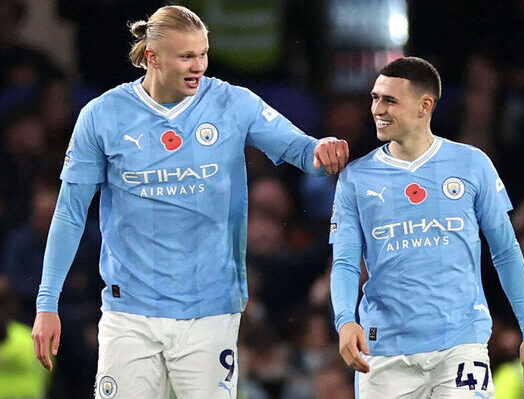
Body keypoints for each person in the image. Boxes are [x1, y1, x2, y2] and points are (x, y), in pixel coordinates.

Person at [30, 5, 348, 399]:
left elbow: (301, 150)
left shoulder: (233, 103)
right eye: (186, 56)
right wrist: (48, 302)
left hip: (210, 311)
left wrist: (322, 150)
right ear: (152, 56)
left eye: (203, 53)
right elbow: (70, 211)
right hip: (129, 312)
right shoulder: (102, 116)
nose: (198, 65)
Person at [329, 57, 524, 398]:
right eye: (375, 98)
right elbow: (344, 262)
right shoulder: (356, 178)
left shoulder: (472, 164)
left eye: (390, 100)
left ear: (424, 106)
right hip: (384, 350)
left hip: (460, 345)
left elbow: (505, 250)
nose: (377, 109)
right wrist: (344, 321)